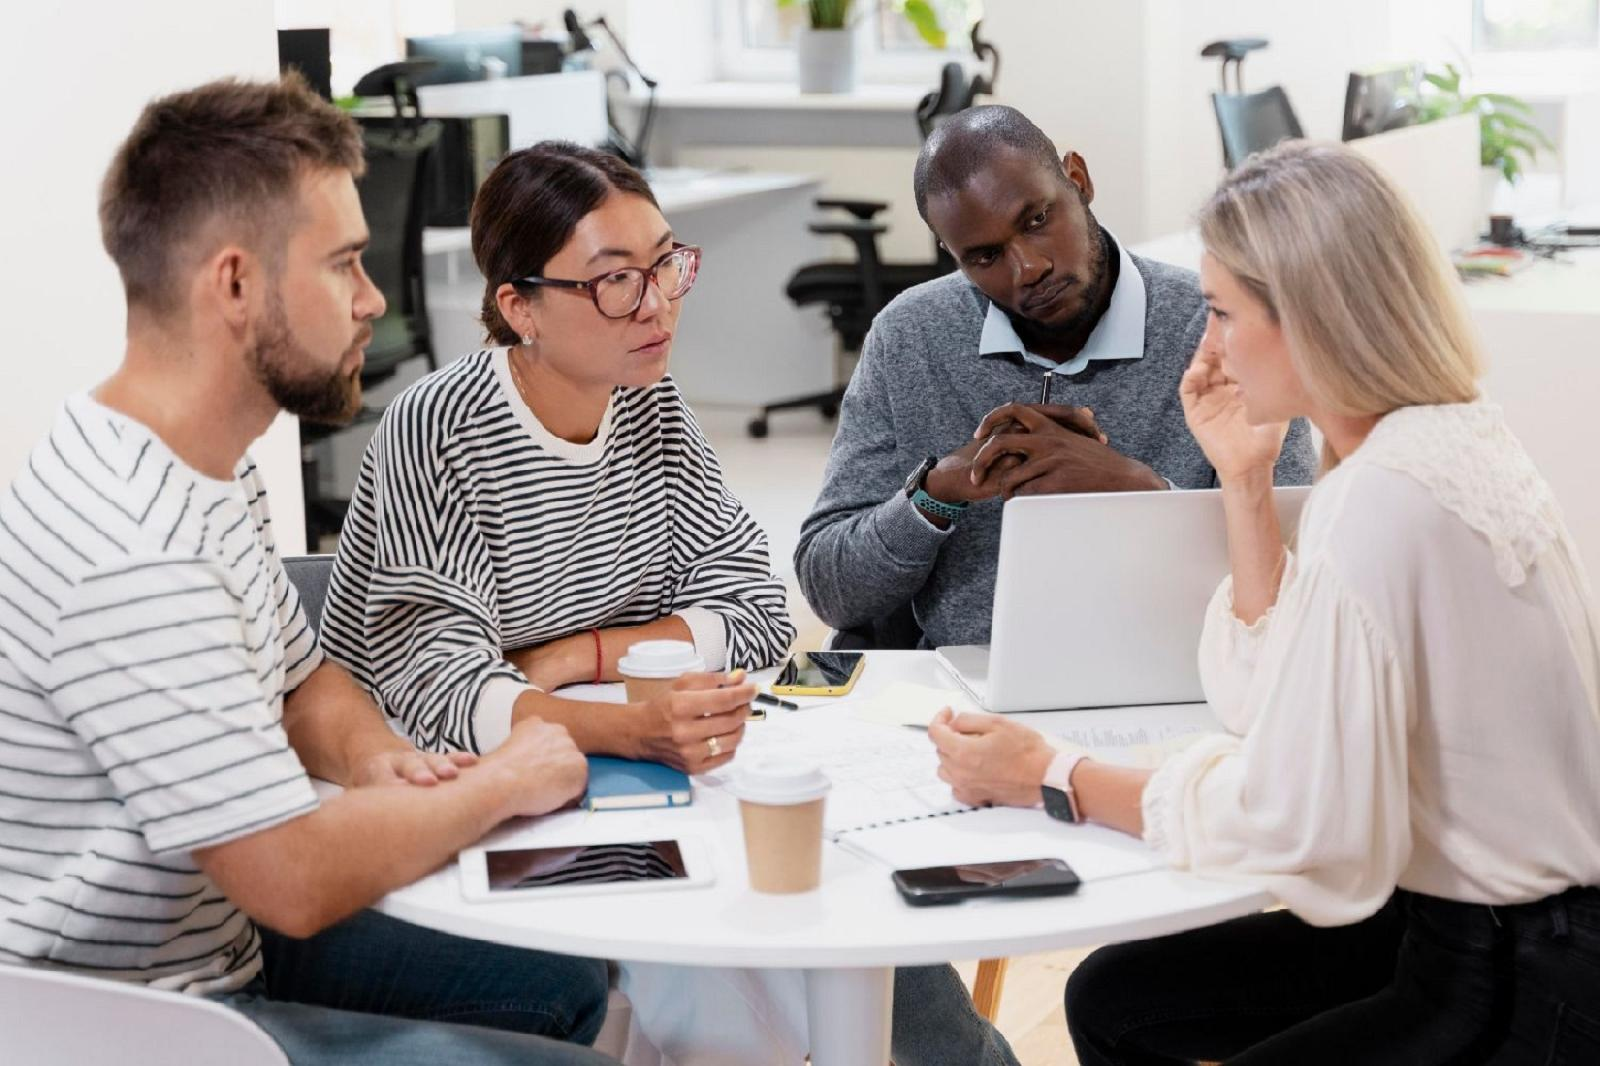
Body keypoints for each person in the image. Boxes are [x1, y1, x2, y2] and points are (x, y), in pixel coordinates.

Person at [930, 140, 1600, 1064]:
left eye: (1220, 313)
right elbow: (1269, 699)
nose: (1206, 350)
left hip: (1519, 971)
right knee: (1117, 998)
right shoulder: (1437, 436)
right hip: (1455, 920)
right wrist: (1243, 479)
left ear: (1312, 318)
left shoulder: (1386, 496)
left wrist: (1055, 777)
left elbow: (1302, 824)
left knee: (1129, 1000)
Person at [0, 76, 616, 1064]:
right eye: (345, 265)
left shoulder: (201, 461)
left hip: (216, 938)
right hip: (122, 1018)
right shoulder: (132, 547)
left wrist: (378, 759)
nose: (375, 299)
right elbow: (291, 875)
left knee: (555, 981)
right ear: (235, 284)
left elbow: (300, 680)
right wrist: (501, 780)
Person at [795, 105, 1316, 650]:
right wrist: (934, 493)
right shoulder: (909, 336)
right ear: (953, 257)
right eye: (985, 256)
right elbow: (832, 591)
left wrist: (1143, 493)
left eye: (1037, 220)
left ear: (1078, 179)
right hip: (963, 696)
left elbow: (1298, 578)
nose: (1028, 268)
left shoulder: (1220, 325)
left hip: (1183, 682)